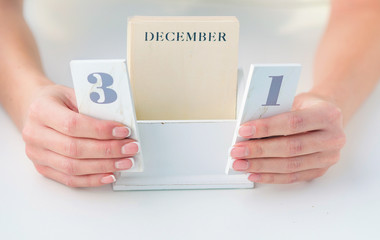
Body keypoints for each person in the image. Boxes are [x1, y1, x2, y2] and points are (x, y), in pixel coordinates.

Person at [0, 0, 379, 187]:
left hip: (309, 57)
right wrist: (26, 93)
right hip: (57, 63)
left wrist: (330, 100)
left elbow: (364, 8)